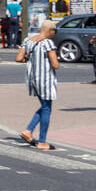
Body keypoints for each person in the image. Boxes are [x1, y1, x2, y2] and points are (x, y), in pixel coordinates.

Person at [19, 19, 60, 150]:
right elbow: (55, 65)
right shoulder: (48, 43)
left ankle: (28, 131)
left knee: (44, 106)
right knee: (47, 108)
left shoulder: (28, 40)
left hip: (32, 78)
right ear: (50, 31)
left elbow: (19, 58)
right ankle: (42, 141)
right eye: (54, 31)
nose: (55, 34)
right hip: (45, 79)